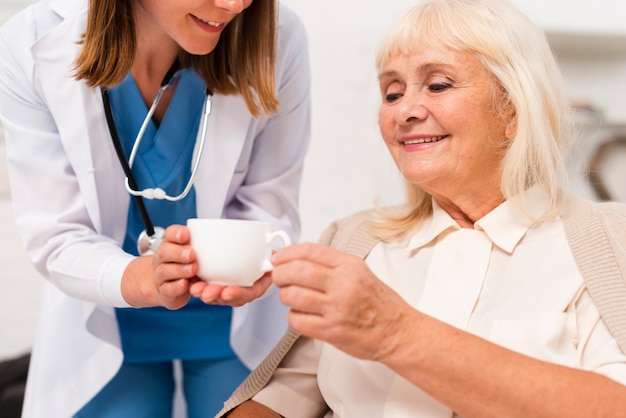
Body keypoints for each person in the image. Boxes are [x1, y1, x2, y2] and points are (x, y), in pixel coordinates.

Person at [217, 0, 626, 416]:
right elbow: (280, 399)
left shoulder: (607, 243)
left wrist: (395, 333)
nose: (405, 111)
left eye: (438, 85)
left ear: (514, 109)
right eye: (392, 92)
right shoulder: (355, 240)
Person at [0, 0, 310, 416]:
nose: (234, 4)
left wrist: (258, 263)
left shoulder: (277, 37)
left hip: (233, 319)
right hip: (108, 313)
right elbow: (56, 233)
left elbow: (270, 202)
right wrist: (143, 279)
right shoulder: (31, 42)